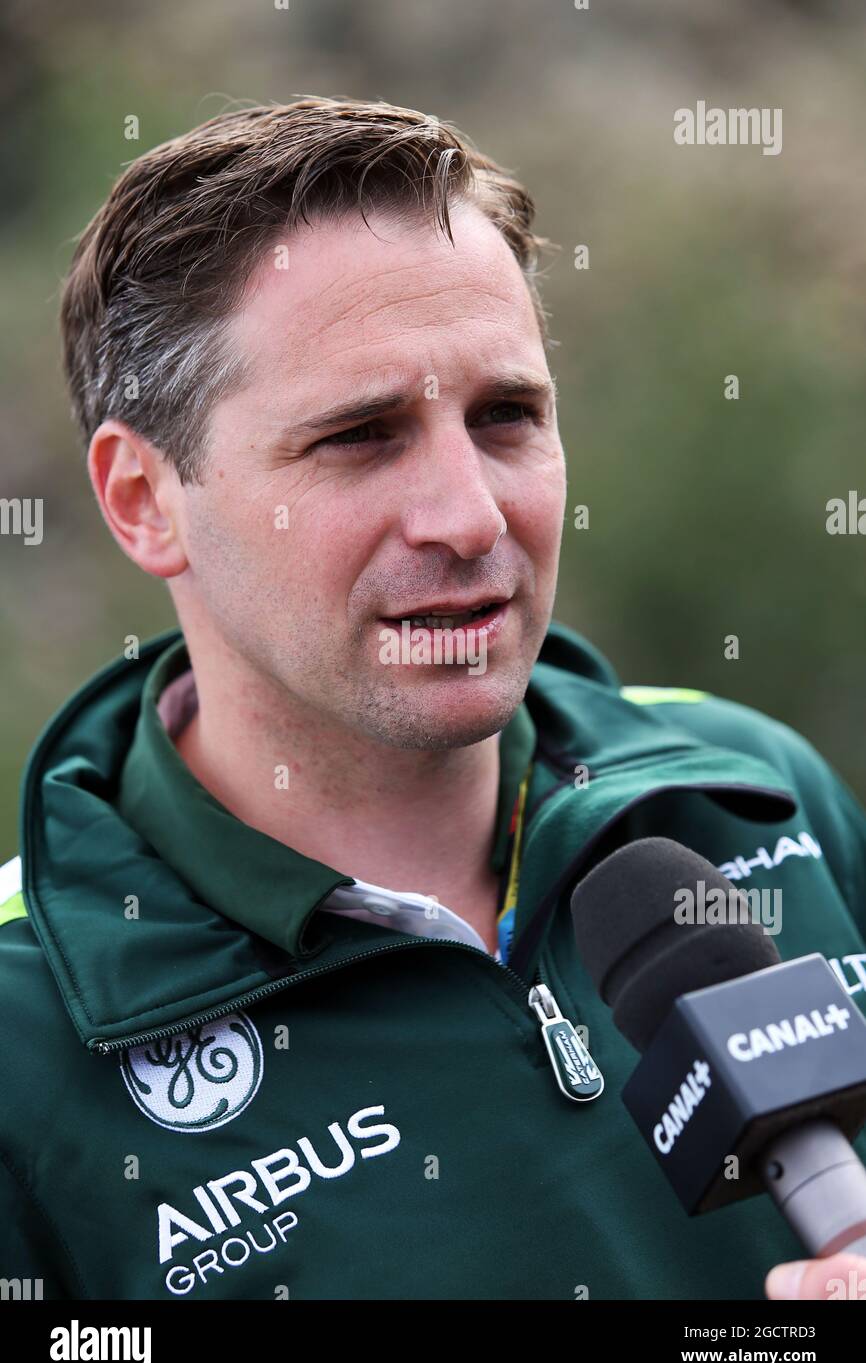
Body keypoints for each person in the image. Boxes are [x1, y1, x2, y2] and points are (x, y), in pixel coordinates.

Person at [1, 95, 864, 1302]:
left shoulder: (755, 792)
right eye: (359, 436)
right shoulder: (24, 1039)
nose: (468, 517)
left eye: (505, 415)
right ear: (146, 498)